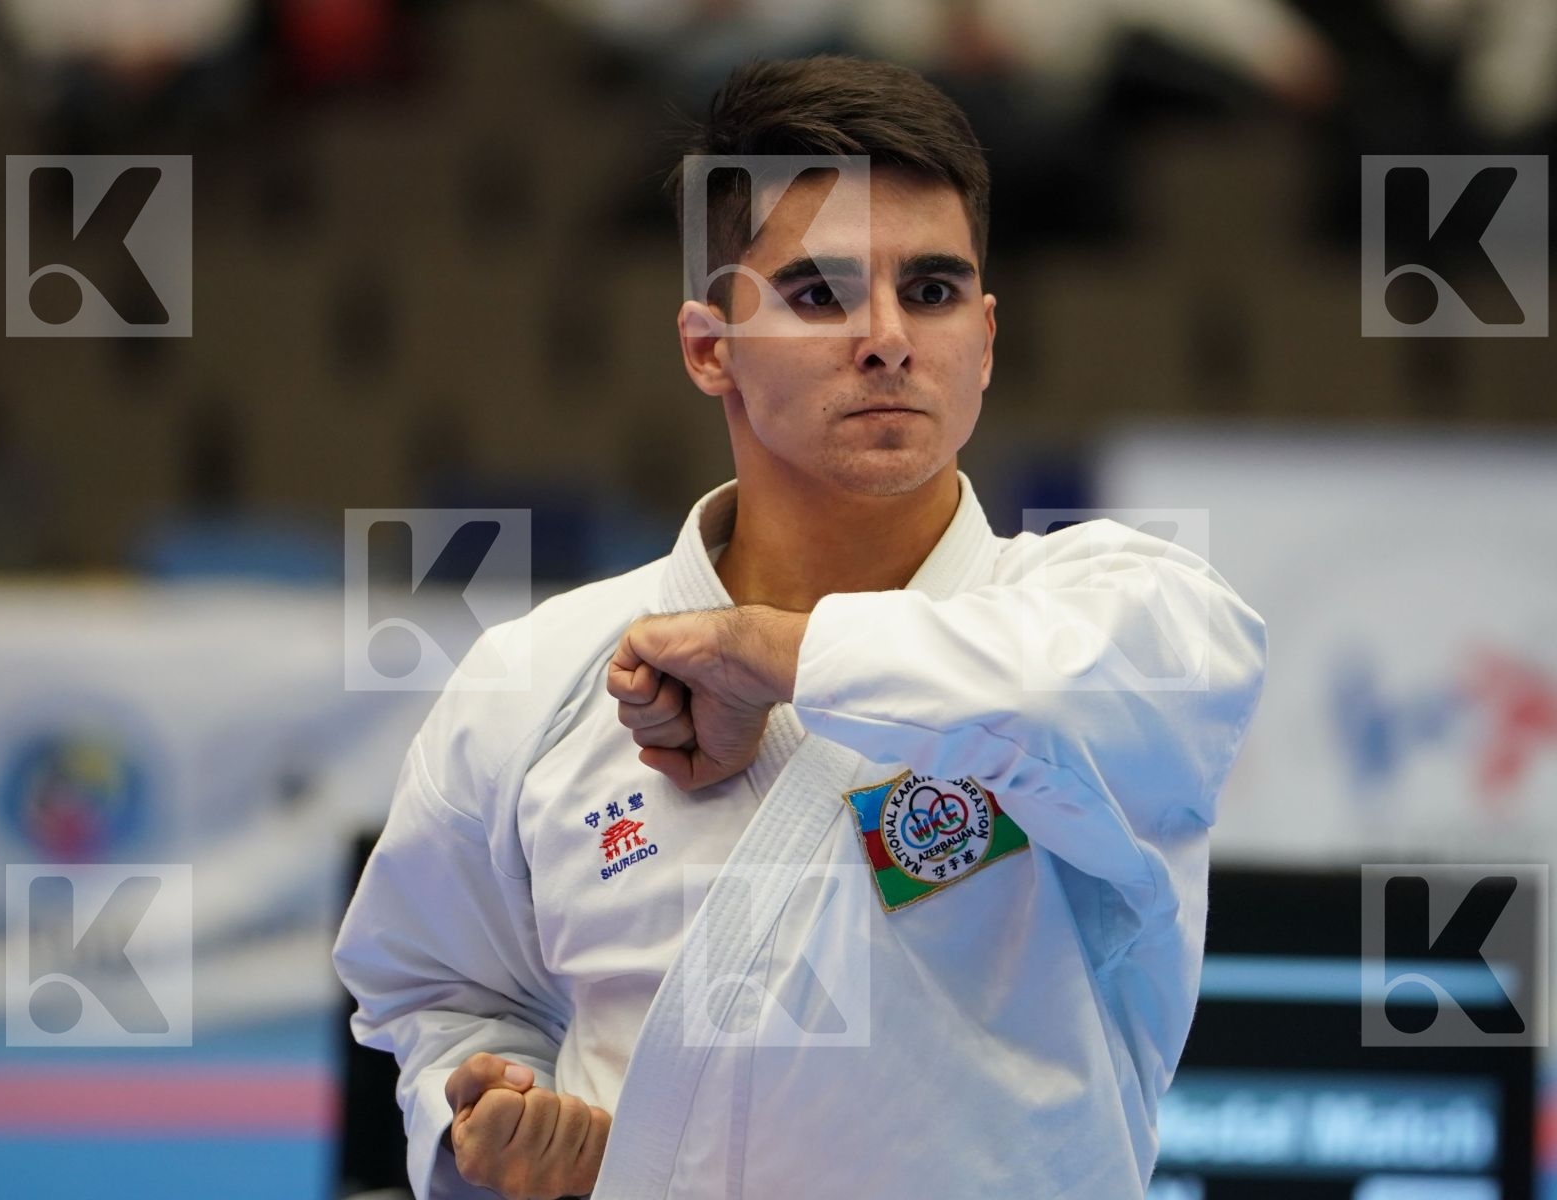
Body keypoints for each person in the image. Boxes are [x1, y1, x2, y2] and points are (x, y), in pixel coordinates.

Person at [332, 53, 1268, 1200]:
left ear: (985, 336)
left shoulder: (1121, 612)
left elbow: (1096, 686)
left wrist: (770, 655)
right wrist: (489, 1121)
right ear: (707, 346)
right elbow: (436, 989)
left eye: (930, 291)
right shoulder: (539, 677)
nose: (886, 337)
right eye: (819, 294)